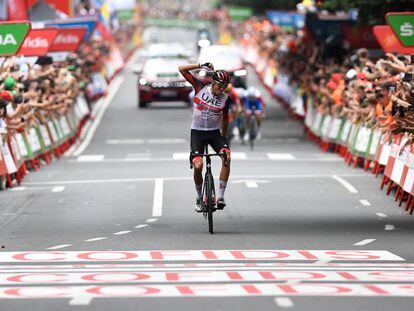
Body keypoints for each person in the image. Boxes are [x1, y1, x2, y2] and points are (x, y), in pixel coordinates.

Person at [178, 62, 231, 211]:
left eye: (224, 86)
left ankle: (220, 196)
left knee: (227, 157)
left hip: (214, 133)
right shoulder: (200, 87)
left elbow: (225, 118)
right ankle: (199, 197)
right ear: (213, 82)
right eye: (220, 85)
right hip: (197, 132)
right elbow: (181, 69)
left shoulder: (226, 98)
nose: (221, 89)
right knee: (198, 166)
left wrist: (224, 137)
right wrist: (200, 65)